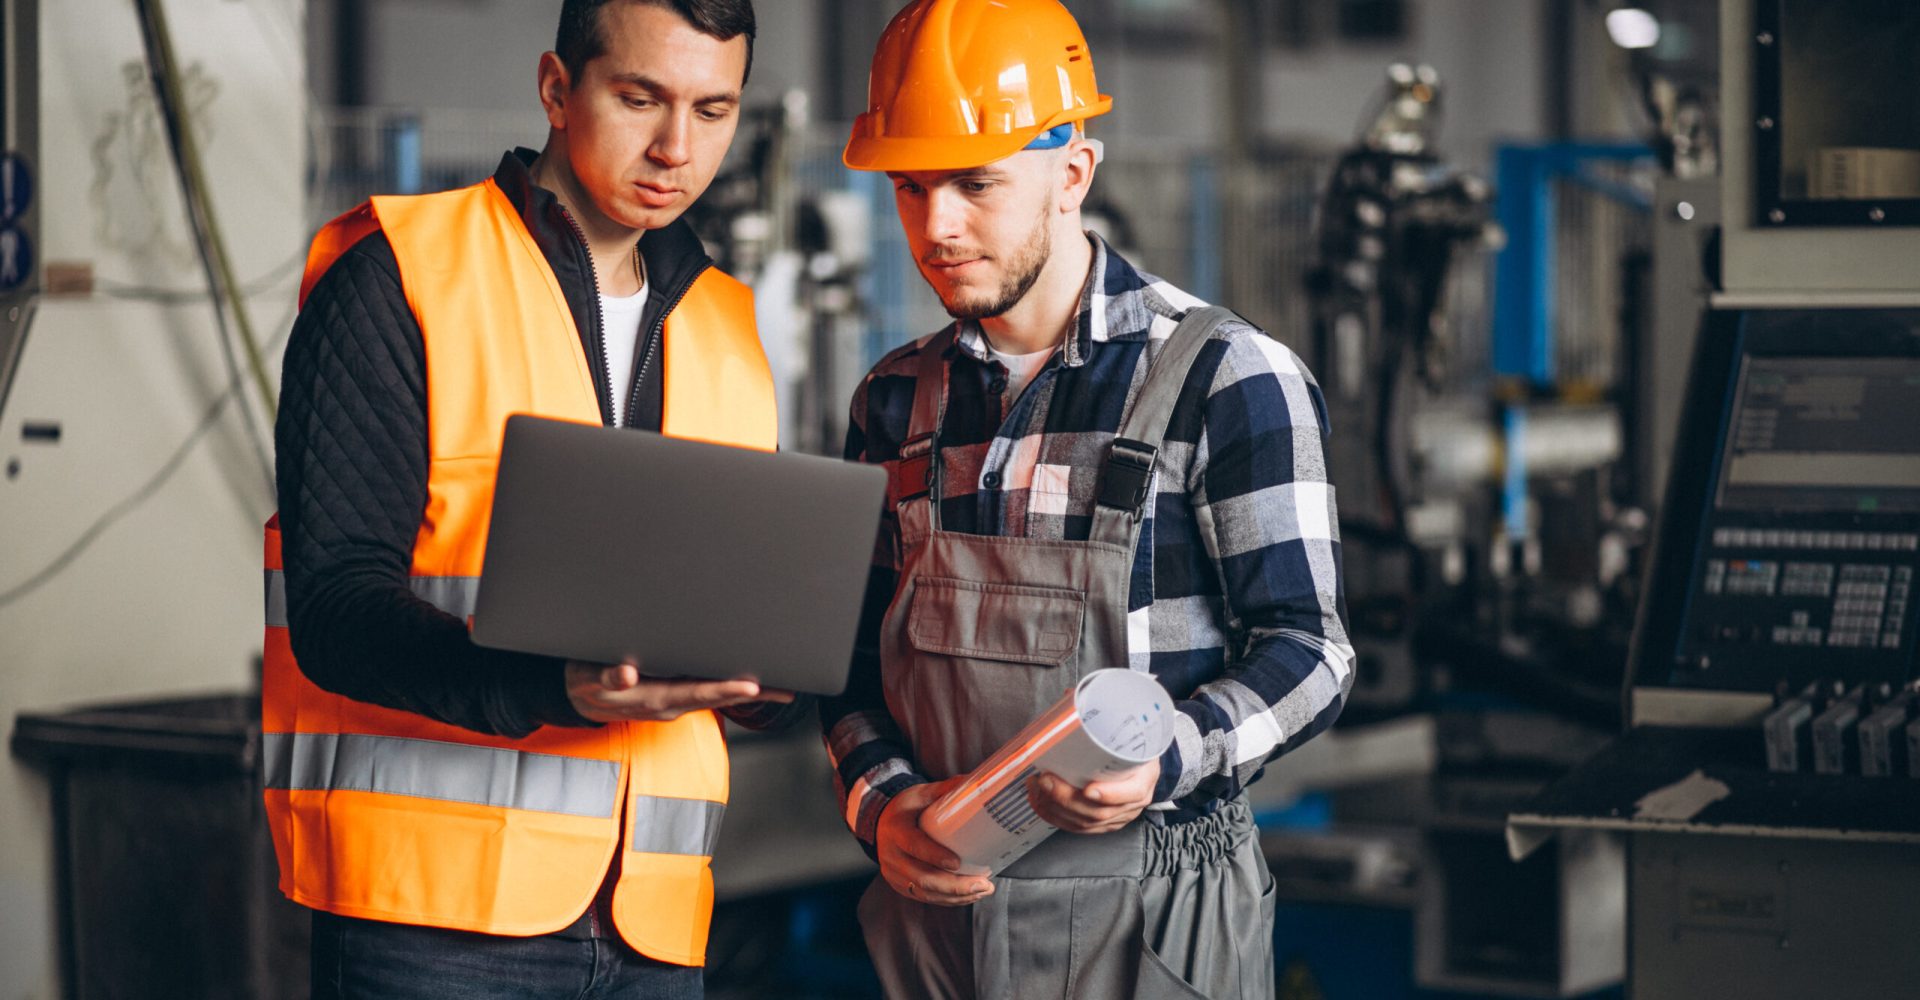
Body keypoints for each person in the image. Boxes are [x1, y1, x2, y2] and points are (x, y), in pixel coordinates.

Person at [820, 1, 1355, 997]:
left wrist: (1173, 757)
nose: (935, 227)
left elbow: (1312, 651)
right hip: (937, 930)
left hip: (1154, 927)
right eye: (909, 187)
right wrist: (882, 807)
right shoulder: (894, 401)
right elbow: (852, 672)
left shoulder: (1226, 377)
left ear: (1073, 176)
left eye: (976, 184)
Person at [267, 2, 797, 997]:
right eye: (640, 98)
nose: (678, 148)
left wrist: (768, 673)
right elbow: (334, 606)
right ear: (558, 87)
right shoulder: (400, 278)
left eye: (714, 109)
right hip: (432, 919)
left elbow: (726, 599)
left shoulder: (727, 325)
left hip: (652, 918)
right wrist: (549, 687)